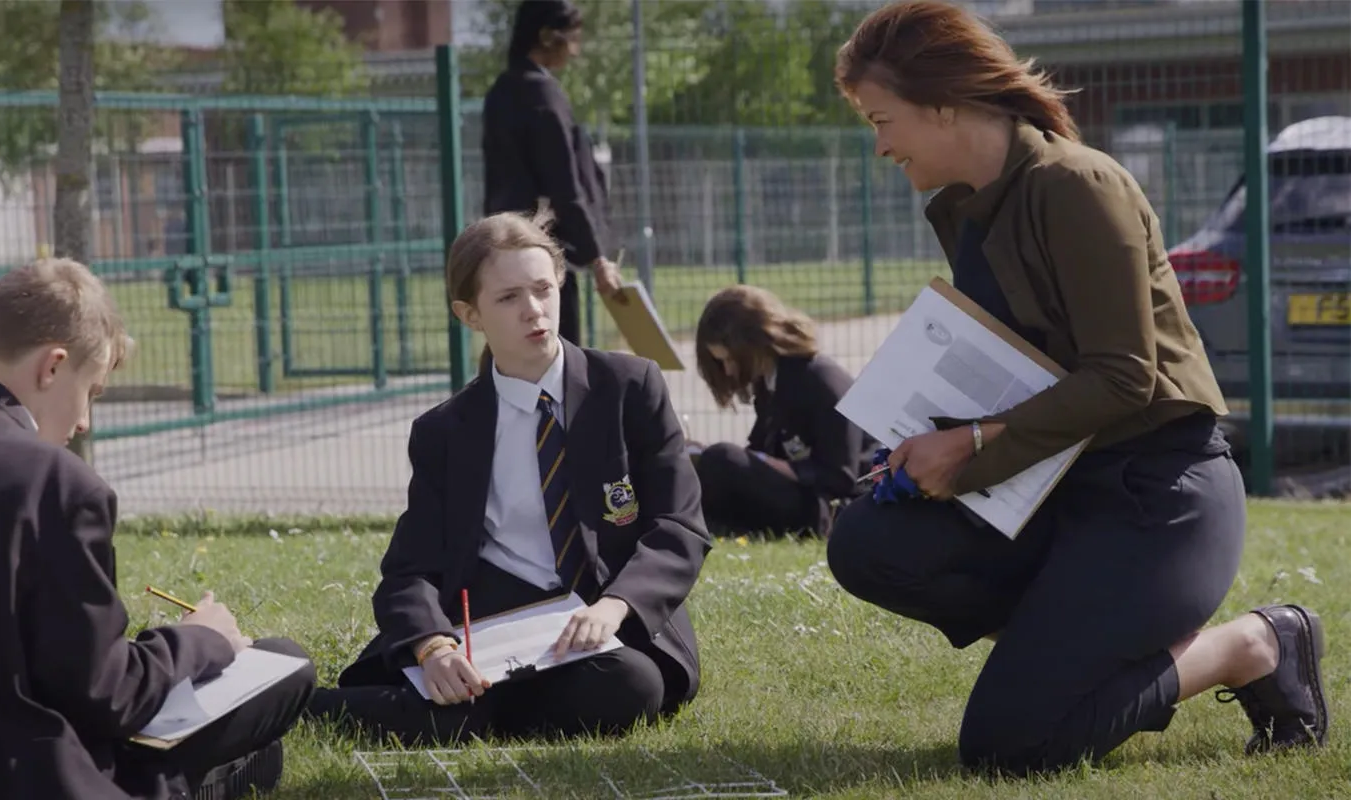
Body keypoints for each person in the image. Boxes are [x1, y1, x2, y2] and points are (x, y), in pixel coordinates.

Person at [821, 0, 1328, 778]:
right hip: (1051, 485)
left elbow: (1126, 377)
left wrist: (972, 444)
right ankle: (1065, 647)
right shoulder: (965, 209)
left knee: (1011, 747)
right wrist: (931, 439)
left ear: (945, 102)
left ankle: (1252, 644)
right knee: (867, 542)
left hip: (1155, 494)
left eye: (882, 119)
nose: (880, 144)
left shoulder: (1079, 183)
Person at [0, 258, 316, 800]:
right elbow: (106, 696)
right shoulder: (59, 483)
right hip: (10, 780)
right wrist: (201, 639)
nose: (85, 422)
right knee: (284, 661)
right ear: (53, 367)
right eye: (91, 392)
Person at [305, 211, 710, 745]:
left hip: (603, 620)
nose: (534, 310)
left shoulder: (630, 387)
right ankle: (314, 704)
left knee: (633, 686)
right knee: (452, 688)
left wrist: (616, 605)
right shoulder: (445, 431)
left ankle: (461, 712)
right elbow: (411, 567)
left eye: (544, 289)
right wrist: (434, 647)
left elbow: (679, 526)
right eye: (508, 298)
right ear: (469, 314)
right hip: (494, 618)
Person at [481, 0, 624, 345]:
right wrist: (597, 257)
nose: (574, 52)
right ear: (547, 36)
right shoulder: (544, 94)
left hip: (503, 249)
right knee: (556, 356)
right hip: (545, 254)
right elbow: (564, 185)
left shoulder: (500, 92)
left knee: (514, 355)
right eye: (572, 39)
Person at [691, 285, 875, 539]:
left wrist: (767, 464)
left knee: (721, 458)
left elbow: (840, 476)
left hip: (833, 508)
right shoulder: (769, 383)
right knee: (705, 465)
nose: (729, 371)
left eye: (729, 360)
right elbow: (759, 452)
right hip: (804, 497)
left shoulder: (819, 379)